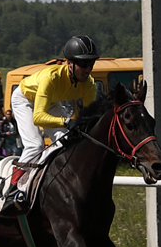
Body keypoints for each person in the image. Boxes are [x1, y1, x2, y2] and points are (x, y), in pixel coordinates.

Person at [7, 36, 101, 198]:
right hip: (25, 99)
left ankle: (49, 180)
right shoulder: (51, 78)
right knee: (35, 145)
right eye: (84, 64)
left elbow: (90, 118)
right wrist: (66, 121)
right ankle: (12, 188)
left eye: (91, 64)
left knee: (66, 141)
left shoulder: (89, 85)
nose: (88, 69)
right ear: (69, 63)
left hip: (51, 102)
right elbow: (38, 118)